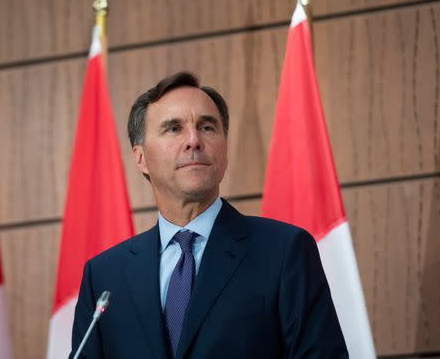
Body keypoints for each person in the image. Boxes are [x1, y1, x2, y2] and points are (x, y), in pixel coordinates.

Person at [70, 72, 348, 358]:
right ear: (140, 157)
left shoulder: (283, 252)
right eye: (174, 129)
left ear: (224, 149)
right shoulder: (104, 276)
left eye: (207, 127)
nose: (193, 140)